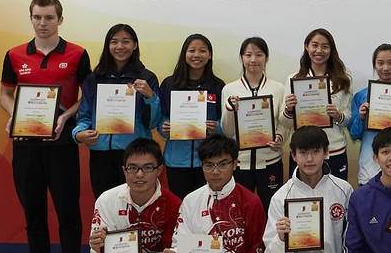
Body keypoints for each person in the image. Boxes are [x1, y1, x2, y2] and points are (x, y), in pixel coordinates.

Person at [0, 0, 91, 253]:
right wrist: (13, 113)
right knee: (33, 214)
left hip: (61, 146)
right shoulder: (14, 55)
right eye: (37, 17)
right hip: (26, 147)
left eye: (49, 18)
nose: (43, 23)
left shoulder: (77, 54)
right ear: (31, 18)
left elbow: (87, 99)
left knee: (67, 212)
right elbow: (4, 94)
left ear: (60, 20)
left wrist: (66, 116)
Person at [72, 24, 161, 198]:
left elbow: (151, 123)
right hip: (101, 154)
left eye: (126, 41)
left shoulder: (146, 77)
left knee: (135, 203)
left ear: (135, 45)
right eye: (114, 42)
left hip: (135, 155)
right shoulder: (94, 78)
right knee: (105, 202)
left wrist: (150, 96)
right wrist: (79, 134)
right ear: (108, 45)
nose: (120, 47)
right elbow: (84, 116)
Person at [220, 37, 285, 212]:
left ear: (266, 58)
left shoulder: (278, 88)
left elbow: (283, 123)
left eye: (259, 54)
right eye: (248, 55)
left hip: (270, 160)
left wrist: (280, 137)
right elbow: (226, 131)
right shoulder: (229, 89)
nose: (253, 60)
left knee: (271, 210)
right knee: (240, 210)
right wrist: (230, 109)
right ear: (241, 58)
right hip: (241, 163)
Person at [279, 28, 353, 180]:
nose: (319, 51)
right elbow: (285, 123)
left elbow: (348, 119)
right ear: (306, 47)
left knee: (335, 201)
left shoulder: (343, 79)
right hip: (303, 152)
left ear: (331, 49)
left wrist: (338, 116)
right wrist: (289, 109)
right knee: (302, 199)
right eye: (314, 45)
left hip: (333, 150)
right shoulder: (293, 79)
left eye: (325, 46)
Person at [157, 34, 225, 199]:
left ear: (209, 55)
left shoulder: (218, 86)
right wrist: (164, 126)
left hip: (208, 160)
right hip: (177, 159)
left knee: (208, 207)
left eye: (202, 51)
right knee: (180, 207)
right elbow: (161, 117)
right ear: (184, 54)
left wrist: (217, 127)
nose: (197, 55)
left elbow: (226, 121)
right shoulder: (169, 84)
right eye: (192, 50)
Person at [348, 44, 391, 185]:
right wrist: (361, 118)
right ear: (374, 65)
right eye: (380, 63)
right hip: (369, 167)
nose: (385, 68)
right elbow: (354, 134)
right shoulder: (362, 96)